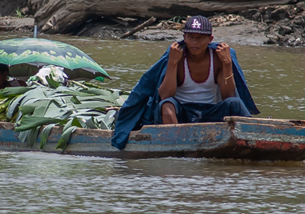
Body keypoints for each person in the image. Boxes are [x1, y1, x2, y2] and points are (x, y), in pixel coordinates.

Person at [111, 15, 260, 150]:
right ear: (184, 37)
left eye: (200, 38)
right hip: (181, 114)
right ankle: (178, 148)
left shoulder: (218, 58)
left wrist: (227, 64)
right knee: (167, 106)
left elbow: (228, 95)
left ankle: (255, 142)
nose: (194, 42)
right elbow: (164, 95)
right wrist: (172, 63)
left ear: (210, 39)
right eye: (190, 37)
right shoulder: (177, 55)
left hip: (210, 113)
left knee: (235, 103)